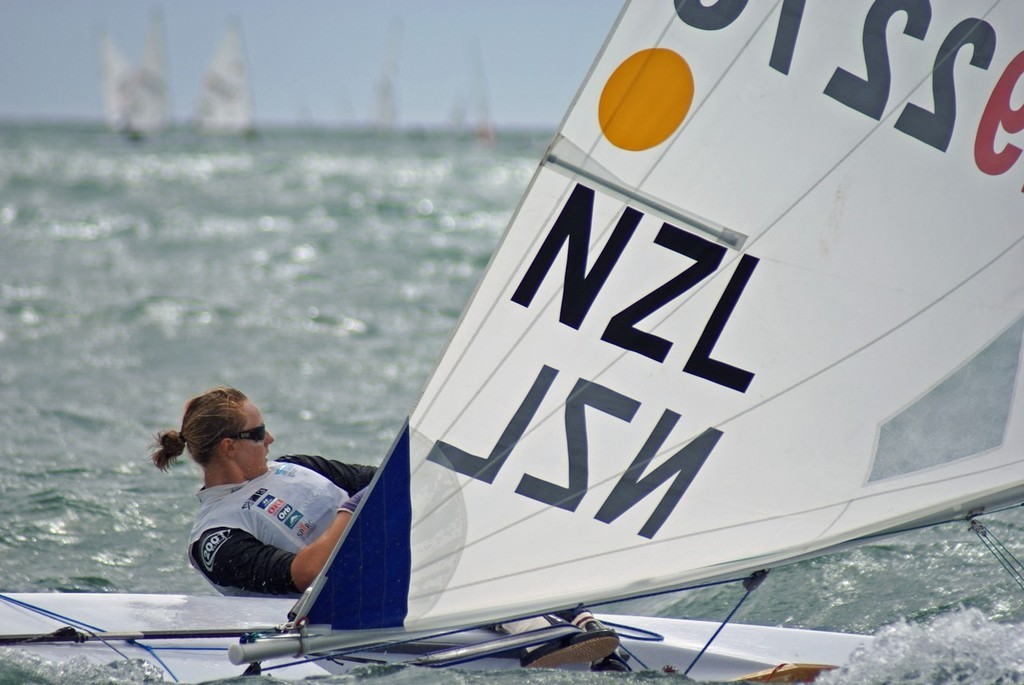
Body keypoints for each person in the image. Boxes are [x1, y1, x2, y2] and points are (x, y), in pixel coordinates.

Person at [152, 386, 626, 670]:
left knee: (471, 522)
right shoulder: (214, 537)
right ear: (230, 448)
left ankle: (562, 619)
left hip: (394, 566)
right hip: (336, 613)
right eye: (258, 433)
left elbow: (390, 484)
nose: (271, 439)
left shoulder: (299, 466)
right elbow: (302, 573)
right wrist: (353, 511)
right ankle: (545, 629)